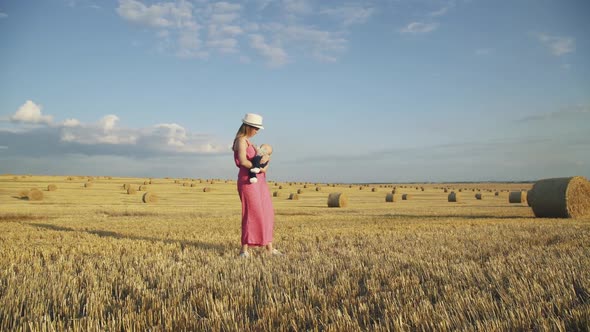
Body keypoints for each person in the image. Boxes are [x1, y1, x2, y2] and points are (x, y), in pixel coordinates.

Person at [233, 113, 281, 257]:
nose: (257, 131)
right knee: (251, 213)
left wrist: (264, 163)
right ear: (247, 126)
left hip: (260, 181)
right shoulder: (241, 141)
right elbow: (242, 160)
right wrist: (257, 168)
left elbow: (260, 160)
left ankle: (269, 248)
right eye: (255, 128)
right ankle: (244, 251)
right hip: (248, 180)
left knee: (266, 212)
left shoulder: (250, 142)